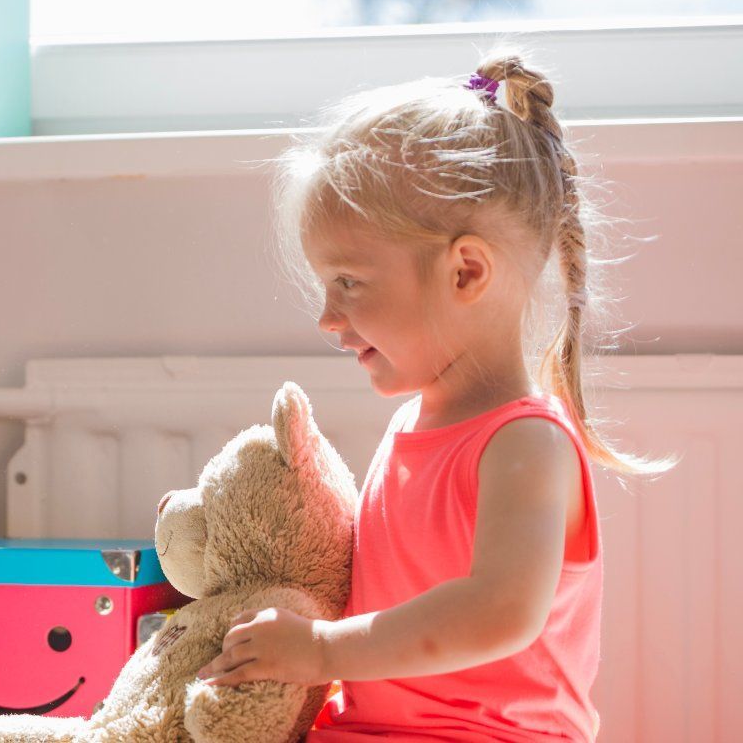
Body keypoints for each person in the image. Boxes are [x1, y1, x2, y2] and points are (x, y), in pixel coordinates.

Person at [193, 50, 671, 740]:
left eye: (349, 283)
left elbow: (499, 612)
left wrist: (324, 649)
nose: (327, 317)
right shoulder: (412, 424)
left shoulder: (525, 445)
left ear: (466, 272)